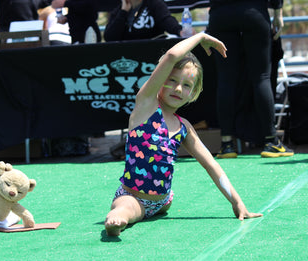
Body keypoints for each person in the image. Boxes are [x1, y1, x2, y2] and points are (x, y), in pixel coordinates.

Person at [104, 33, 263, 236]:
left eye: (187, 85)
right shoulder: (145, 106)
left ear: (194, 92)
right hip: (132, 196)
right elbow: (171, 56)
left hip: (164, 201)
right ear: (160, 80)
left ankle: (140, 210)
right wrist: (200, 36)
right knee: (125, 210)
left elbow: (210, 164)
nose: (178, 88)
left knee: (155, 203)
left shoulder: (184, 127)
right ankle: (116, 220)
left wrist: (237, 202)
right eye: (172, 80)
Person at [207, 0, 294, 158]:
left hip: (220, 15)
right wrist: (278, 13)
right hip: (254, 12)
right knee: (261, 77)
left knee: (226, 79)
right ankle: (271, 142)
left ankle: (227, 145)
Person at [104, 0, 182, 42]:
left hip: (151, 53)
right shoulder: (119, 9)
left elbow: (166, 20)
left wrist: (180, 30)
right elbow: (109, 37)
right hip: (127, 56)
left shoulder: (155, 4)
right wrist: (123, 12)